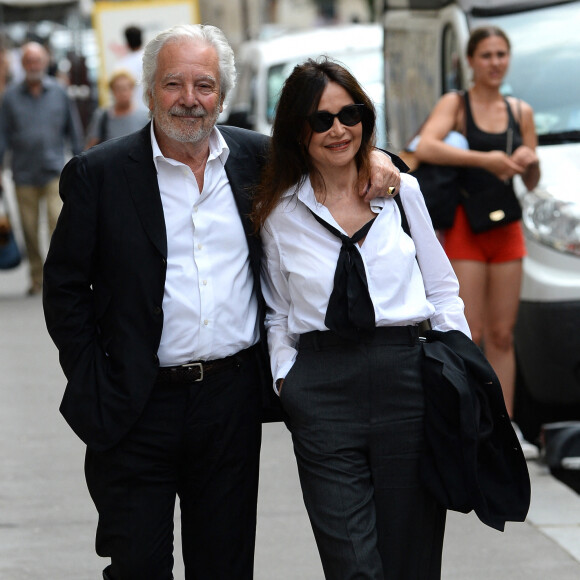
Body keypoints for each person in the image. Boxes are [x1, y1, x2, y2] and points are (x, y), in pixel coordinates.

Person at [42, 24, 401, 580]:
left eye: (204, 85)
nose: (190, 99)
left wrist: (380, 160)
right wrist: (94, 378)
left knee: (226, 565)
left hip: (229, 404)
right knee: (137, 565)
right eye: (174, 84)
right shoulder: (99, 175)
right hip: (134, 405)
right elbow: (64, 289)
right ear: (150, 91)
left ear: (223, 95)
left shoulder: (257, 159)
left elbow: (339, 150)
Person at [252, 57, 471, 579]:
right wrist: (288, 379)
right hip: (322, 391)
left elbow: (441, 287)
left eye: (348, 114)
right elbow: (278, 311)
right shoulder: (279, 212)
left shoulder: (401, 191)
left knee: (410, 561)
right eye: (320, 119)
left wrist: (456, 366)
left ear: (365, 118)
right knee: (351, 562)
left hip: (407, 377)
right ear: (295, 129)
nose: (337, 129)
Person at [413, 26, 541, 459]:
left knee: (503, 335)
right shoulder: (457, 104)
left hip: (506, 227)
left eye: (501, 54)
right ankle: (473, 422)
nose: (494, 62)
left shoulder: (519, 110)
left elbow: (531, 177)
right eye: (485, 55)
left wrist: (529, 162)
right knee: (472, 330)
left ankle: (505, 426)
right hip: (467, 225)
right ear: (470, 60)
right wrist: (484, 159)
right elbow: (425, 145)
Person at [0, 41, 83, 295]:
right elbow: (2, 134)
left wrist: (82, 160)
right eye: (29, 61)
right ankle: (37, 278)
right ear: (23, 64)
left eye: (38, 61)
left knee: (57, 224)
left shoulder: (59, 91)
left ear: (45, 62)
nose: (34, 65)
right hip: (23, 173)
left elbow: (73, 127)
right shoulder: (10, 97)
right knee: (29, 229)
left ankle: (57, 278)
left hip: (54, 171)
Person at [85, 70, 149, 149]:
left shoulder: (145, 116)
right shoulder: (103, 116)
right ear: (112, 91)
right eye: (118, 88)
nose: (123, 93)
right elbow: (90, 146)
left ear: (132, 89)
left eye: (126, 88)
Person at [114, 25, 147, 112]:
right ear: (142, 39)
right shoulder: (152, 60)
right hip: (152, 111)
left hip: (131, 113)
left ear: (127, 43)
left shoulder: (121, 65)